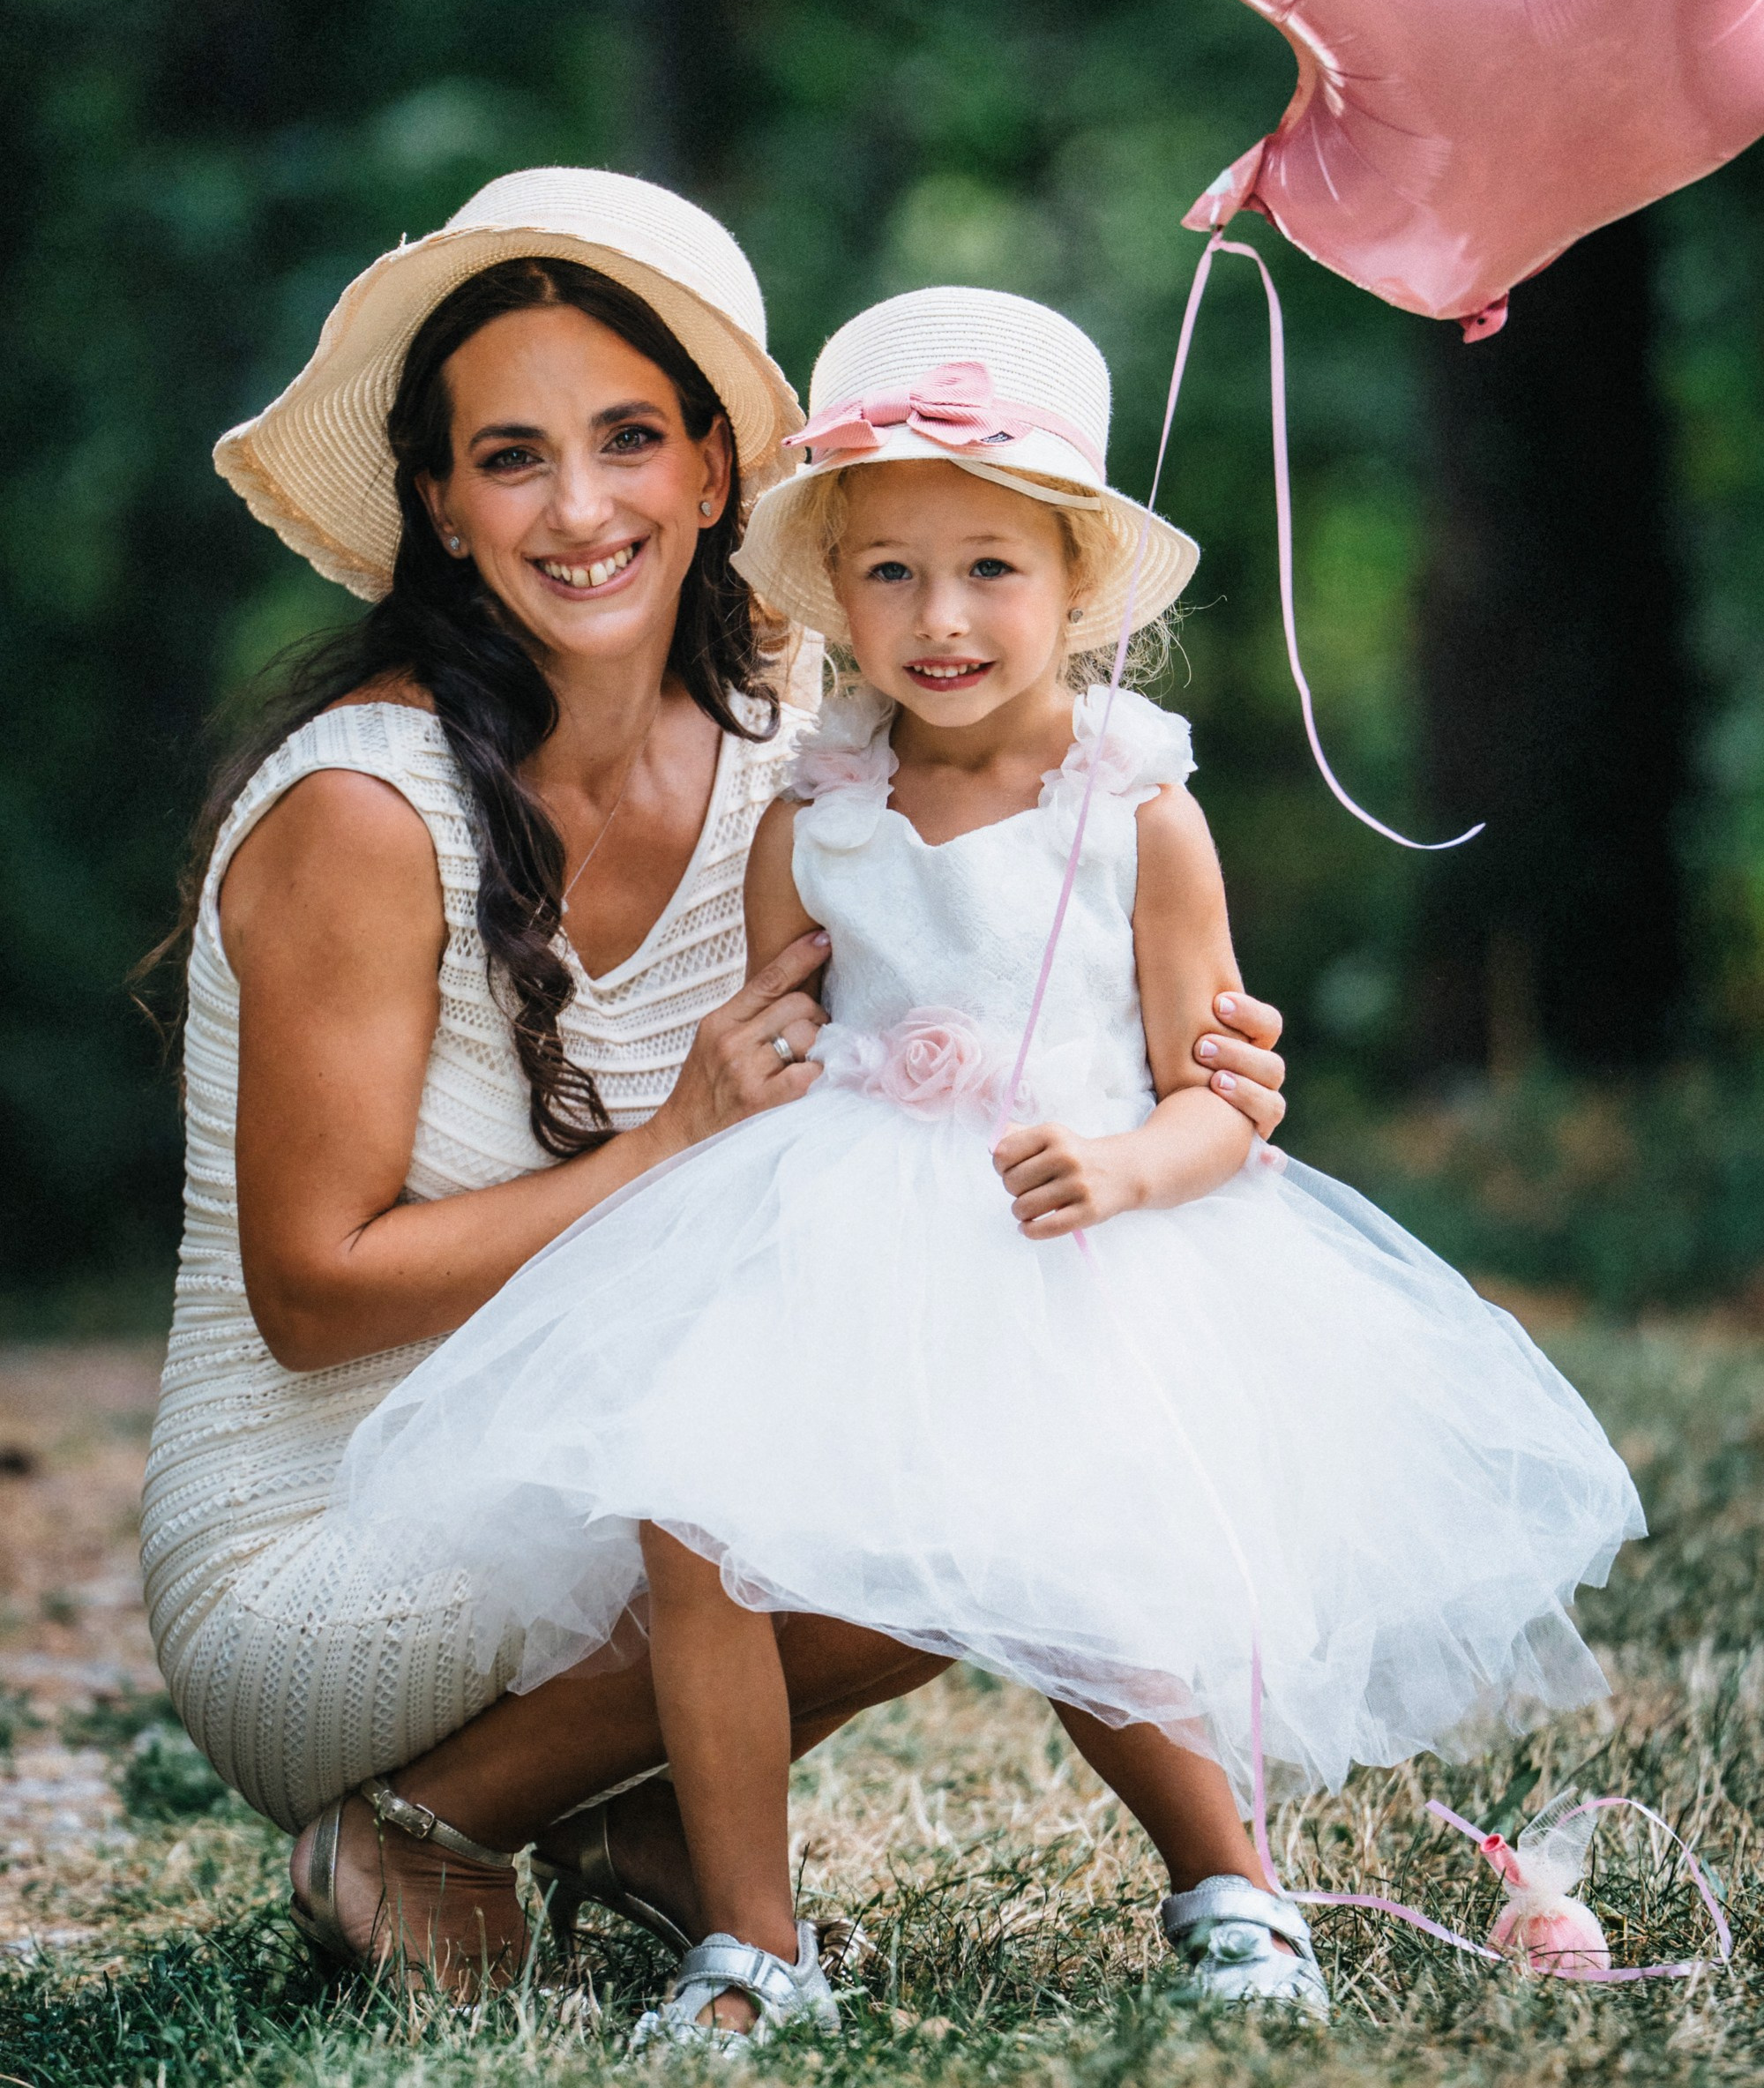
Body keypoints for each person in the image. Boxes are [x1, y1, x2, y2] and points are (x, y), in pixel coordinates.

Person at [329, 285, 1645, 2043]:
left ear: (1077, 583)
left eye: (990, 569)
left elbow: (1223, 1096)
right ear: (833, 587)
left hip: (1059, 1236)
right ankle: (752, 1944)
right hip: (836, 1229)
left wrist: (1128, 1168)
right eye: (889, 571)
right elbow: (785, 1042)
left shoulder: (1138, 816)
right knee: (695, 1532)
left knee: (1075, 1560)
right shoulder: (815, 820)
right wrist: (750, 1125)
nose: (939, 617)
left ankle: (1233, 1889)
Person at [138, 173, 1290, 1988]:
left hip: (575, 1469)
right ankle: (422, 1821)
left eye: (626, 440)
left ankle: (632, 1804)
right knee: (924, 1474)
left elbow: (995, 930)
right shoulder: (366, 809)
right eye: (510, 458)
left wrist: (1189, 1080)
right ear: (437, 503)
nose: (579, 509)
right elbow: (311, 1294)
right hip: (332, 1548)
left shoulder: (798, 752)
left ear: (709, 470)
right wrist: (672, 1137)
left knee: (1004, 1409)